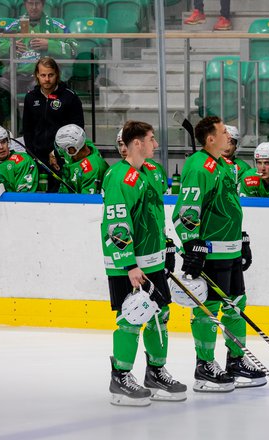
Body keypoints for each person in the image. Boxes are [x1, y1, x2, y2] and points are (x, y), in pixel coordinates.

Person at [173, 116, 266, 392]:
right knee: (208, 310)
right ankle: (204, 367)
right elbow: (185, 213)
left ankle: (236, 360)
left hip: (231, 250)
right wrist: (192, 245)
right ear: (210, 139)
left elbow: (228, 207)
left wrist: (242, 238)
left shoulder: (226, 166)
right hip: (211, 252)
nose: (229, 136)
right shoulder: (198, 167)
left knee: (237, 305)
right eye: (224, 132)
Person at [101, 120, 186, 407]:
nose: (156, 144)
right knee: (131, 318)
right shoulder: (117, 177)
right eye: (151, 139)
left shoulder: (152, 172)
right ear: (136, 143)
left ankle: (156, 372)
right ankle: (121, 376)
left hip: (153, 262)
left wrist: (167, 247)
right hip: (130, 265)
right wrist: (129, 265)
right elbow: (116, 222)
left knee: (159, 316)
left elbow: (154, 216)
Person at [0, 0, 77, 127]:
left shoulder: (55, 26)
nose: (34, 7)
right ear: (25, 4)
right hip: (13, 77)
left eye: (37, 3)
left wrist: (50, 44)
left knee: (43, 88)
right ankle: (8, 128)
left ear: (43, 4)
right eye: (30, 3)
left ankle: (40, 130)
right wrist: (11, 47)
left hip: (39, 79)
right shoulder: (15, 26)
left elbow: (73, 49)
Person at [22, 57, 84, 192]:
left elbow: (78, 131)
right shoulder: (31, 97)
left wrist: (57, 152)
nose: (47, 79)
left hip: (62, 158)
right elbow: (27, 129)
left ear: (57, 74)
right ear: (37, 75)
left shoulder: (69, 97)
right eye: (43, 75)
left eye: (50, 75)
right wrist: (32, 154)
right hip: (37, 157)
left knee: (60, 195)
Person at [52, 124, 108, 194]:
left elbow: (86, 202)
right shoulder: (82, 145)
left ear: (72, 150)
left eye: (62, 149)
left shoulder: (93, 169)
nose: (61, 152)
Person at [0, 124, 38, 192]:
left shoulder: (23, 161)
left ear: (8, 141)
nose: (1, 147)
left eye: (3, 142)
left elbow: (23, 198)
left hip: (16, 202)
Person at [115, 127, 168, 194]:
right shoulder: (114, 171)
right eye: (121, 144)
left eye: (127, 144)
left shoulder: (157, 168)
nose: (123, 149)